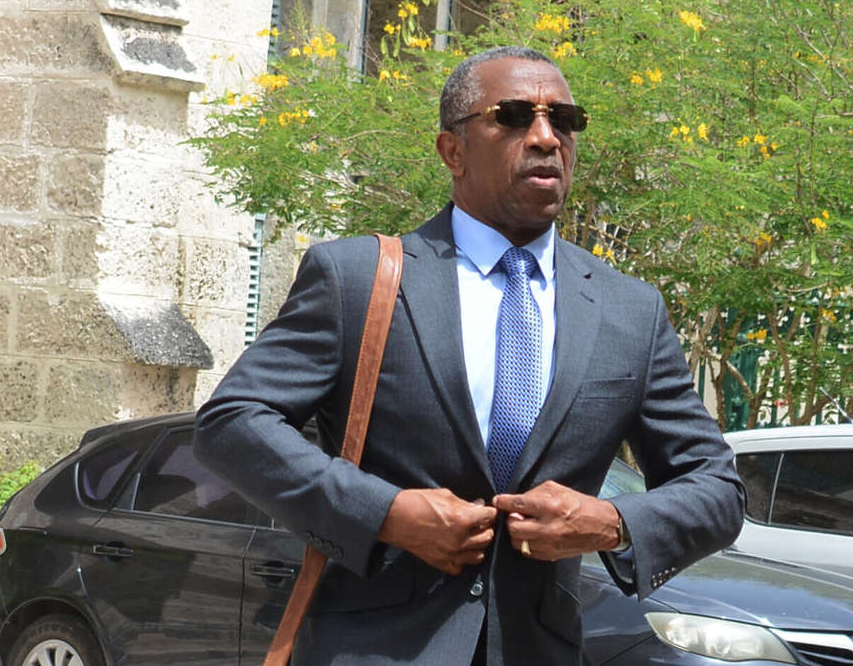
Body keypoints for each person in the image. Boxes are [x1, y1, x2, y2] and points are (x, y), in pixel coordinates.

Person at [194, 45, 743, 666]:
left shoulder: (628, 310)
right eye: (513, 116)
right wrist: (385, 512)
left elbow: (717, 487)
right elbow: (232, 423)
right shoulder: (360, 278)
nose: (546, 138)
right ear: (452, 150)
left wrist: (611, 522)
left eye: (564, 120)